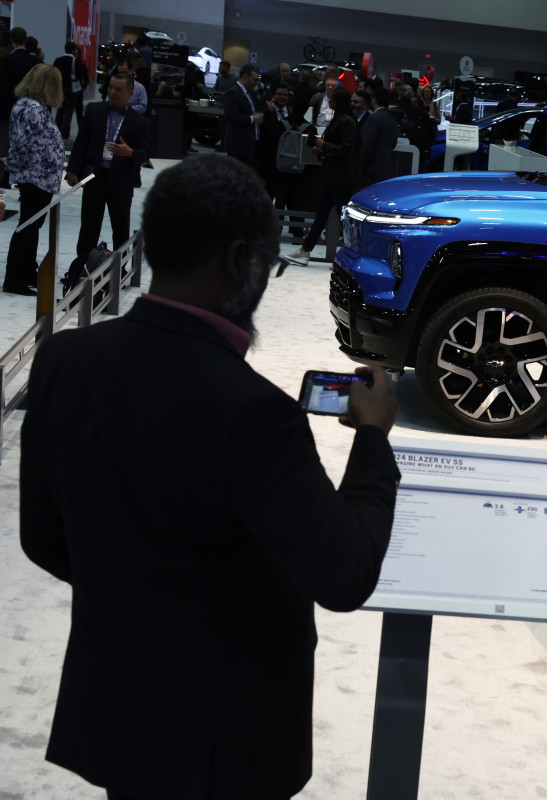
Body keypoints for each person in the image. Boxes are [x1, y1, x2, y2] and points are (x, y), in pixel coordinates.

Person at [20, 154, 400, 800]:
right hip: (222, 739)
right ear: (238, 260)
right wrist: (372, 437)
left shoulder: (63, 359)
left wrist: (137, 594)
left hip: (119, 711)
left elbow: (42, 537)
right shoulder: (254, 413)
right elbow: (345, 572)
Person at [65, 70, 150, 262]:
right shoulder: (94, 110)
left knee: (120, 228)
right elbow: (81, 142)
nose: (112, 92)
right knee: (88, 227)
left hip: (121, 179)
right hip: (94, 176)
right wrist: (72, 170)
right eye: (110, 87)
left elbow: (146, 154)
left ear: (130, 93)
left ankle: (121, 270)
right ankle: (82, 267)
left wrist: (131, 153)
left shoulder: (139, 122)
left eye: (118, 89)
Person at [3, 64, 63, 295]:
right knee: (28, 226)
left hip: (38, 176)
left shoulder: (28, 105)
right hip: (36, 176)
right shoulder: (33, 108)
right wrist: (12, 161)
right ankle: (14, 277)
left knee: (32, 225)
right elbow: (23, 140)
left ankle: (27, 272)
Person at [286, 87, 360, 266]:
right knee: (322, 216)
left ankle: (355, 255)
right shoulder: (341, 119)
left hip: (340, 178)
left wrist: (323, 145)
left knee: (344, 218)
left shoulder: (346, 121)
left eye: (332, 99)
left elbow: (347, 150)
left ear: (337, 101)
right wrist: (321, 150)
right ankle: (305, 251)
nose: (329, 101)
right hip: (333, 176)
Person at [0, 27, 41, 157]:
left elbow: (3, 89)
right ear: (25, 39)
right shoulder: (37, 62)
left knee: (5, 150)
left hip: (8, 112)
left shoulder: (6, 61)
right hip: (31, 114)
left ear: (11, 39)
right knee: (28, 151)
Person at [223, 64, 263, 169]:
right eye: (254, 80)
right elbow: (230, 117)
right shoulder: (233, 93)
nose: (256, 83)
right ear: (245, 76)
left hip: (250, 145)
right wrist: (252, 119)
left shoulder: (250, 93)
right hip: (238, 146)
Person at [359, 87, 398, 187]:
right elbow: (393, 144)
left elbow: (366, 146)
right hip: (385, 170)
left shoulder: (373, 118)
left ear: (374, 100)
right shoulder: (392, 119)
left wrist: (359, 167)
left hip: (371, 172)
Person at [52, 42, 89, 140]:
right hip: (73, 91)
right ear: (73, 50)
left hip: (60, 89)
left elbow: (53, 75)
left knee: (59, 111)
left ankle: (56, 132)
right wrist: (82, 89)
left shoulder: (58, 60)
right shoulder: (77, 63)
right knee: (68, 112)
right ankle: (64, 134)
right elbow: (85, 78)